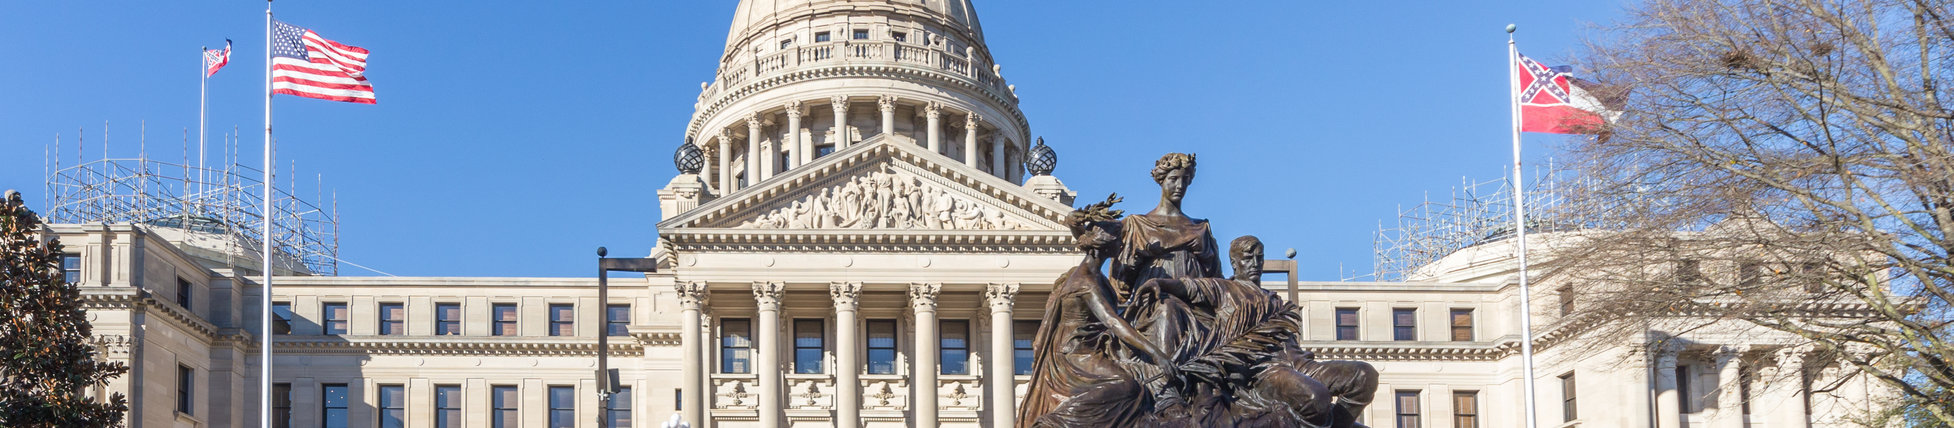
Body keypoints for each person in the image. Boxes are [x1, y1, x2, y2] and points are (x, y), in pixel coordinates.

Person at [1018, 195, 1179, 428]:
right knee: (1127, 386)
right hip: (1075, 354)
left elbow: (1079, 231)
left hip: (1089, 348)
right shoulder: (1086, 282)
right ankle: (1058, 420)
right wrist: (1156, 353)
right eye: (1119, 240)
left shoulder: (1092, 272)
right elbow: (1113, 322)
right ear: (1104, 244)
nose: (1122, 245)